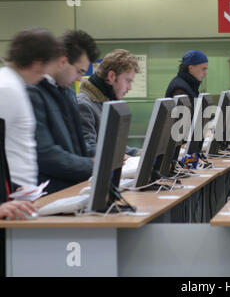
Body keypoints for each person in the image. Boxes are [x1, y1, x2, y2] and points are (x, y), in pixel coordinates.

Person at [27, 30, 100, 194]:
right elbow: (45, 154)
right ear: (63, 61)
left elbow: (78, 143)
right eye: (79, 71)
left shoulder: (66, 92)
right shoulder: (33, 93)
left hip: (73, 189)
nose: (80, 78)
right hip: (48, 195)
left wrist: (103, 155)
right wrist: (93, 165)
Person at [0, 28, 62, 187]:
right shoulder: (7, 89)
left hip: (21, 191)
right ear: (38, 63)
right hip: (13, 191)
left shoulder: (15, 85)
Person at [77, 49, 140, 156]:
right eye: (127, 81)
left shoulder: (107, 103)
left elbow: (116, 146)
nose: (130, 88)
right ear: (111, 76)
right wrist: (120, 157)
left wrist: (142, 154)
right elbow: (89, 149)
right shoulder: (83, 105)